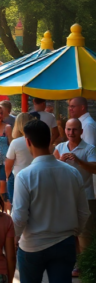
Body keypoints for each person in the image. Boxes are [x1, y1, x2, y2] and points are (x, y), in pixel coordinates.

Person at [12, 119, 89, 283]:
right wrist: (73, 233)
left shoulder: (25, 176)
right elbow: (84, 211)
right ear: (50, 139)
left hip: (32, 245)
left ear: (28, 142)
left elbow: (19, 218)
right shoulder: (73, 173)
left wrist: (13, 238)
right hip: (64, 243)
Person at [54, 118, 96, 276]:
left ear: (81, 131)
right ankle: (73, 263)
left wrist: (78, 160)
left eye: (75, 130)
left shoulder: (89, 148)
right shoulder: (59, 147)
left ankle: (86, 266)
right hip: (64, 197)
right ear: (65, 130)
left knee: (85, 233)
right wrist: (59, 161)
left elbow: (95, 168)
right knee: (67, 232)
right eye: (69, 129)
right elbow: (51, 168)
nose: (71, 133)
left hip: (86, 196)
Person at [5, 113, 34, 205]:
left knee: (17, 205)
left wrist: (8, 177)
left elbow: (8, 165)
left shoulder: (16, 142)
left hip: (18, 177)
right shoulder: (37, 140)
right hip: (35, 176)